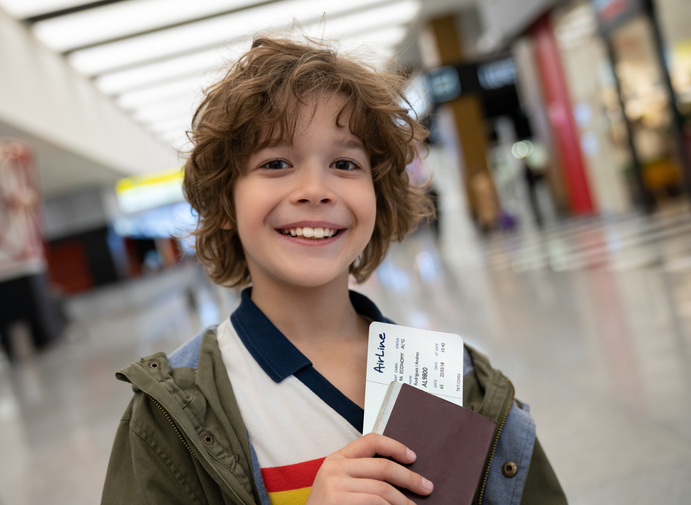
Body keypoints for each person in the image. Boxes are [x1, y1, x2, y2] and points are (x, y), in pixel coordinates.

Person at [101, 36, 566, 505]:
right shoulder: (174, 413)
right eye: (276, 162)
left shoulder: (458, 379)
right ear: (225, 202)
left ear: (377, 194)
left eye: (344, 163)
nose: (315, 190)